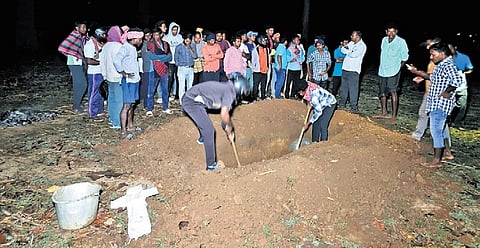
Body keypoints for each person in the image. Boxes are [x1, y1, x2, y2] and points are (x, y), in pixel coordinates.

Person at [406, 42, 462, 167]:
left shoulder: (448, 65)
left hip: (440, 104)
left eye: (433, 54)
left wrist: (447, 91)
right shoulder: (441, 64)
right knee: (441, 129)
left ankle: (437, 161)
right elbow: (431, 76)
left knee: (436, 131)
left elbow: (458, 80)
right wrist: (417, 72)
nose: (431, 57)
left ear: (442, 54)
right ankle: (446, 153)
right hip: (435, 102)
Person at [181, 73, 250, 171]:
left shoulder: (227, 87)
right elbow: (224, 114)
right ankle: (211, 165)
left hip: (197, 99)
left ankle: (202, 138)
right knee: (209, 131)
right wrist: (230, 128)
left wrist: (226, 126)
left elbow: (225, 114)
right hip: (191, 102)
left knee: (204, 119)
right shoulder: (230, 92)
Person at [113, 28, 144, 139]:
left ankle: (130, 126)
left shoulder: (132, 48)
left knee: (132, 104)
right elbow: (116, 60)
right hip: (129, 81)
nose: (141, 41)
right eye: (140, 39)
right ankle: (123, 131)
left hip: (135, 80)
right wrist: (123, 72)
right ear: (134, 39)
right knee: (126, 105)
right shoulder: (125, 48)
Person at [376, 23, 409, 122]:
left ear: (396, 32)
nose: (391, 33)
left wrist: (398, 68)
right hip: (382, 70)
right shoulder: (384, 40)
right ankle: (384, 113)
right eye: (389, 31)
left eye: (393, 31)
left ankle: (394, 116)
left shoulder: (401, 42)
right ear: (386, 32)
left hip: (393, 71)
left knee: (393, 92)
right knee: (382, 92)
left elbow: (405, 57)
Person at [57, 20, 89, 114]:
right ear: (77, 28)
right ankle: (76, 106)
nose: (84, 29)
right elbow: (62, 48)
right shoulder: (74, 35)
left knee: (78, 84)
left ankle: (77, 105)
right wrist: (72, 54)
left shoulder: (80, 37)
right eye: (82, 27)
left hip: (77, 62)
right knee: (83, 84)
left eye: (85, 27)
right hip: (73, 62)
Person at [338, 30, 367, 113]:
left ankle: (353, 107)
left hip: (354, 70)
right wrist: (348, 51)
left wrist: (348, 51)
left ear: (357, 37)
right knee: (343, 88)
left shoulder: (362, 46)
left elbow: (354, 55)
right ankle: (342, 104)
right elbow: (342, 50)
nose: (351, 37)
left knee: (353, 89)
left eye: (352, 35)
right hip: (345, 68)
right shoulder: (351, 43)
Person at [84, 26, 108, 119]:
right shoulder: (90, 44)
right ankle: (92, 112)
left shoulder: (100, 43)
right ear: (98, 34)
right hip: (94, 72)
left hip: (101, 71)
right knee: (93, 92)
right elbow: (89, 60)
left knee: (101, 91)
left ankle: (99, 110)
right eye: (103, 34)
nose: (105, 36)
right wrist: (101, 62)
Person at [448, 43, 473, 129]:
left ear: (455, 47)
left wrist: (463, 73)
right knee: (448, 104)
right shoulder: (445, 58)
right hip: (449, 86)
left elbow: (470, 68)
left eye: (450, 48)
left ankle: (457, 122)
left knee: (462, 105)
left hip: (462, 86)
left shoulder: (464, 57)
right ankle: (447, 121)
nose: (449, 50)